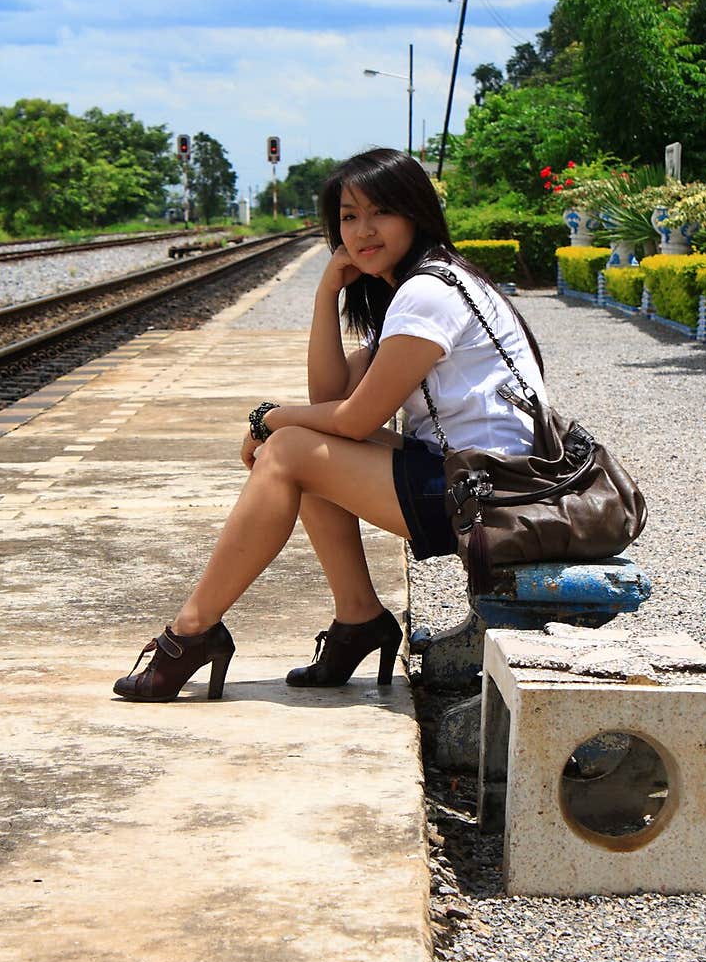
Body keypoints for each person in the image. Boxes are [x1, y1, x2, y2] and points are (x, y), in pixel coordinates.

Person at [113, 147, 547, 702]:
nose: (363, 230)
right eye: (348, 216)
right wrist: (326, 292)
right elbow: (331, 396)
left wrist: (268, 419)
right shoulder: (418, 288)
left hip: (492, 494)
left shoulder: (428, 294)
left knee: (290, 451)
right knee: (301, 449)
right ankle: (358, 618)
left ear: (415, 212)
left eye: (379, 212)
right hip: (478, 477)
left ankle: (192, 630)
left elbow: (355, 417)